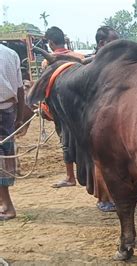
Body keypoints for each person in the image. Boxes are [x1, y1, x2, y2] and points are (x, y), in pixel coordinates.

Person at [92, 26, 137, 212]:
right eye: (114, 41)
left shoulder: (119, 64)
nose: (119, 45)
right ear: (102, 44)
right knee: (103, 160)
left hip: (123, 114)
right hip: (103, 118)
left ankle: (136, 190)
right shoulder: (96, 67)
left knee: (130, 157)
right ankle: (104, 199)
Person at [42, 26, 84, 188]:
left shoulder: (48, 62)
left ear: (51, 43)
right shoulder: (79, 57)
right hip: (81, 108)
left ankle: (70, 177)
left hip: (61, 109)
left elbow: (47, 87)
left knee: (65, 140)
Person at [0, 44, 25, 221]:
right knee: (6, 156)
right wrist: (20, 117)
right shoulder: (10, 54)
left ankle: (8, 206)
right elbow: (20, 88)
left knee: (1, 160)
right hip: (8, 110)